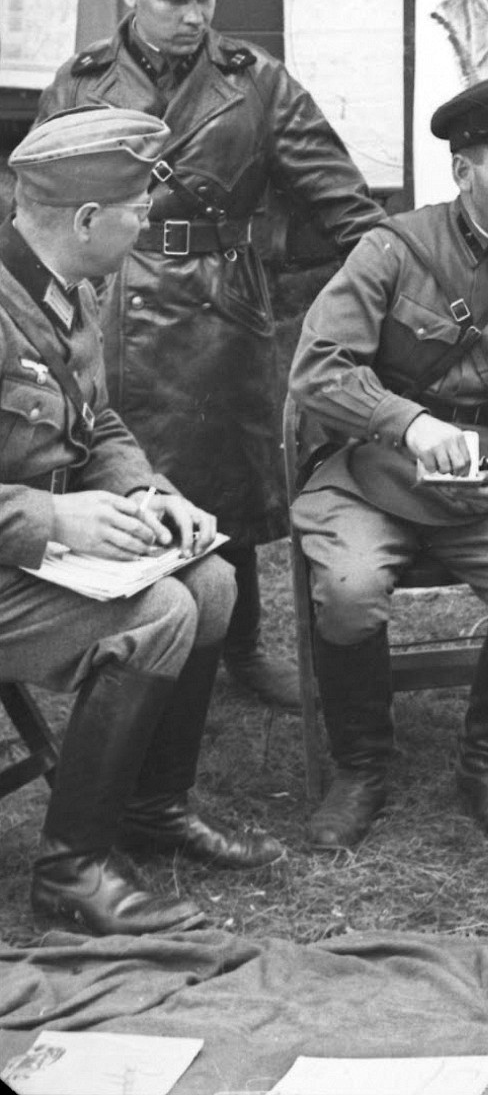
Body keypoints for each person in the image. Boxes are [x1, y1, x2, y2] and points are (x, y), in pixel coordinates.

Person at [37, 0, 384, 710]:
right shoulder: (81, 82)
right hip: (109, 303)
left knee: (227, 478)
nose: (195, 16)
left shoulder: (256, 80)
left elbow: (344, 206)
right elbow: (44, 209)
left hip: (219, 305)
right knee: (118, 473)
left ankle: (242, 646)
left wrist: (373, 297)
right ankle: (123, 639)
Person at [288, 73, 488, 849]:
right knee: (351, 589)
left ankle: (487, 763)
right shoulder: (391, 253)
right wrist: (407, 422)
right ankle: (360, 767)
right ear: (463, 172)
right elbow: (318, 370)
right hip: (374, 478)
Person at [0, 108, 282, 937]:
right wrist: (52, 516)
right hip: (16, 551)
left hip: (33, 555)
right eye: (136, 210)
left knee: (213, 580)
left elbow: (96, 422)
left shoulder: (62, 287)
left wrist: (144, 493)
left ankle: (150, 807)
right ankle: (70, 871)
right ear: (86, 220)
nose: (150, 223)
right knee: (159, 613)